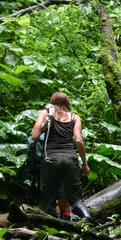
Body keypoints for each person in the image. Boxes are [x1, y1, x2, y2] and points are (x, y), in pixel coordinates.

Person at [31, 92, 90, 220]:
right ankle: (87, 220)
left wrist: (45, 124)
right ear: (68, 103)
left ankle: (52, 232)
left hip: (51, 159)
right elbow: (79, 140)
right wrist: (85, 163)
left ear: (52, 102)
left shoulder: (45, 114)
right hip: (70, 159)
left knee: (49, 199)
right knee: (75, 199)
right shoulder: (75, 117)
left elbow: (34, 136)